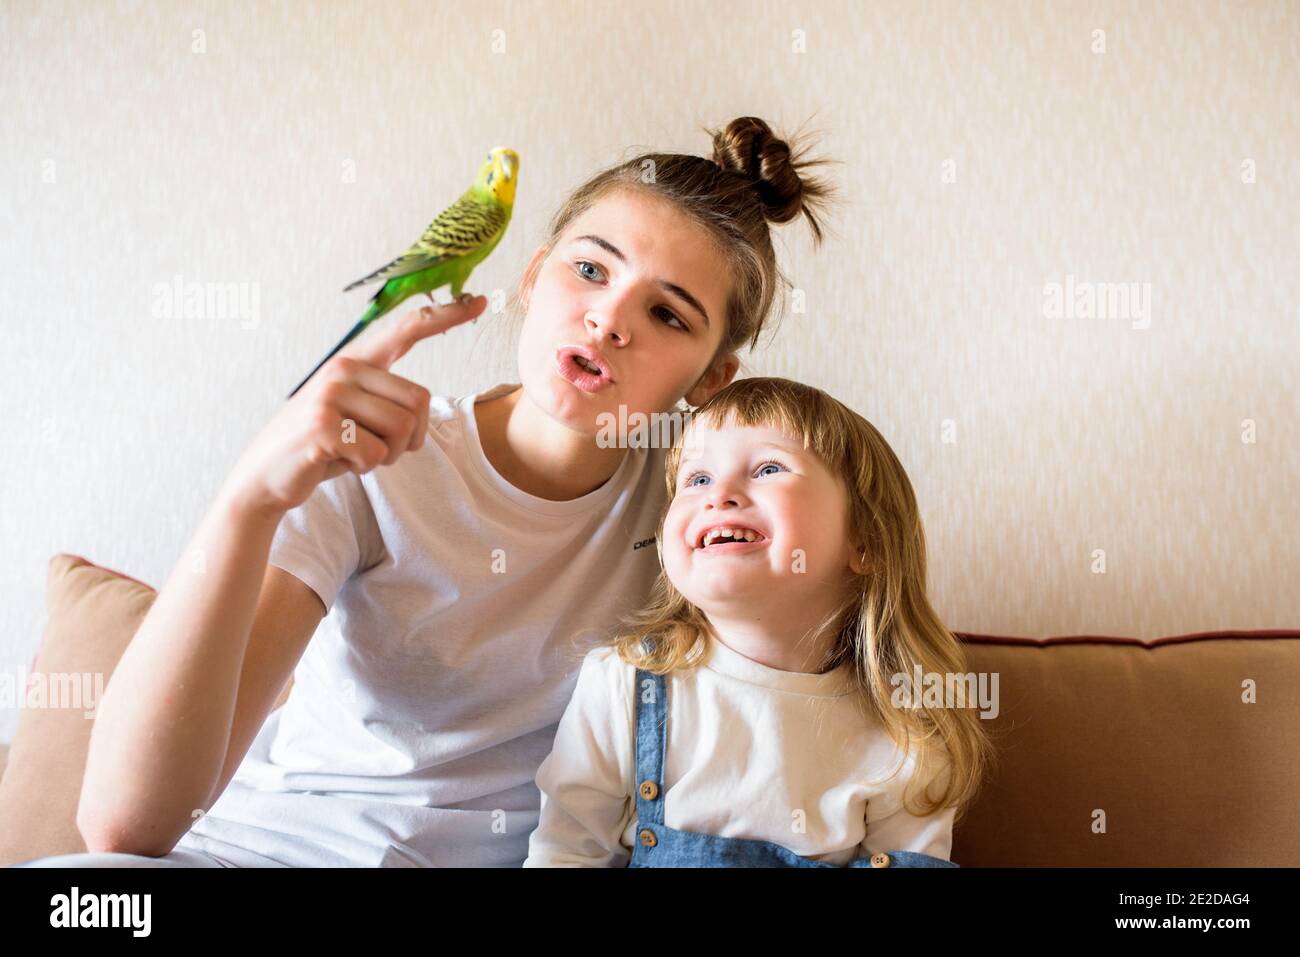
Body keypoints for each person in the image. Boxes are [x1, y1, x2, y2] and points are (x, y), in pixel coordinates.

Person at [12, 117, 838, 867]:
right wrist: (250, 501)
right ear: (533, 275)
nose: (607, 320)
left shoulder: (699, 527)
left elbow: (798, 715)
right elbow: (123, 829)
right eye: (589, 269)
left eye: (668, 314)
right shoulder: (378, 461)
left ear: (713, 378)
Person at [523, 377, 997, 867]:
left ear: (866, 539)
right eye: (697, 479)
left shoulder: (906, 731)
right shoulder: (625, 682)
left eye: (768, 468)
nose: (719, 494)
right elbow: (567, 852)